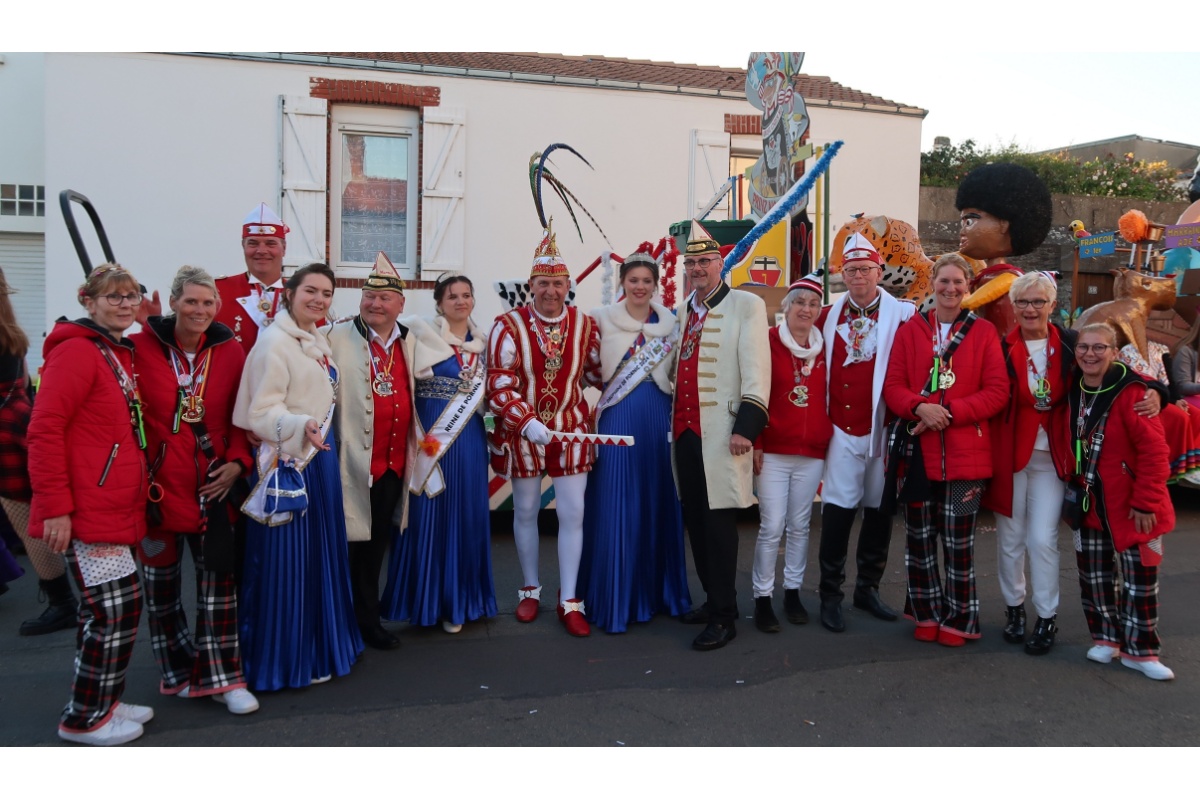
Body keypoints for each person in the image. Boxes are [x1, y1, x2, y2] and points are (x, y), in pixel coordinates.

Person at [29, 264, 153, 745]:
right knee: (114, 611)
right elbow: (43, 431)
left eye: (131, 296)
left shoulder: (111, 350)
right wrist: (56, 506)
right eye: (113, 297)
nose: (124, 304)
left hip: (110, 505)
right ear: (88, 300)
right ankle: (84, 718)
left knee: (107, 612)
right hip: (87, 511)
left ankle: (104, 700)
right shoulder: (77, 354)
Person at [129, 266, 259, 714]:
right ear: (173, 303)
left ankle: (224, 678)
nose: (199, 310)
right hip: (157, 493)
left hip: (213, 488)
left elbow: (243, 417)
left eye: (207, 303)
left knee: (218, 588)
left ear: (217, 307)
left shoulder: (231, 350)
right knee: (160, 591)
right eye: (191, 302)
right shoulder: (139, 347)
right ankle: (176, 671)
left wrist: (239, 463)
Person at [233, 262, 363, 690]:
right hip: (290, 463)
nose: (319, 299)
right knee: (289, 563)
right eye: (311, 290)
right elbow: (259, 412)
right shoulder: (274, 343)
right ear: (289, 292)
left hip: (316, 459)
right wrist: (298, 424)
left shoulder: (315, 341)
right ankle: (289, 658)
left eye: (326, 293)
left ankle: (321, 645)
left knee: (318, 558)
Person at [883, 253, 1008, 646]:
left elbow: (997, 393)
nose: (950, 288)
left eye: (958, 282)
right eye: (944, 281)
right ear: (932, 284)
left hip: (965, 458)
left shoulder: (984, 333)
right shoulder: (911, 330)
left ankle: (960, 617)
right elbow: (893, 387)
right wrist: (920, 407)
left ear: (968, 286)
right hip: (917, 456)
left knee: (958, 545)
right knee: (919, 542)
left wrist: (948, 413)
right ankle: (926, 612)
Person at [486, 223, 602, 637]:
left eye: (557, 283)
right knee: (526, 511)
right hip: (525, 435)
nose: (550, 290)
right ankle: (530, 589)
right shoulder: (508, 325)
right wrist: (526, 421)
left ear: (568, 285)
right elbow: (498, 386)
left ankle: (569, 599)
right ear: (530, 285)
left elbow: (597, 373)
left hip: (571, 431)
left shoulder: (586, 325)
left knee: (573, 513)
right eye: (542, 283)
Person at [580, 245, 691, 633]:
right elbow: (585, 370)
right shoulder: (598, 321)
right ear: (622, 284)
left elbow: (680, 374)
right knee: (617, 503)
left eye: (647, 281)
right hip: (618, 417)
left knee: (658, 501)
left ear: (657, 285)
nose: (640, 287)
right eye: (633, 280)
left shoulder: (672, 325)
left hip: (657, 416)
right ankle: (616, 598)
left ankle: (662, 593)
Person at [672, 220, 770, 651]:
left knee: (718, 527)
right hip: (685, 435)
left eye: (705, 261)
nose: (697, 268)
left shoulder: (746, 305)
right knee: (696, 522)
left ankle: (724, 617)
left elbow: (757, 372)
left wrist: (745, 430)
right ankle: (713, 600)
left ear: (720, 264)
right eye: (691, 262)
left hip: (723, 435)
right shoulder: (684, 310)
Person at [383, 272, 498, 634]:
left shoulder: (485, 343)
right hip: (431, 439)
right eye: (452, 296)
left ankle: (458, 602)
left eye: (466, 295)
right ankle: (424, 601)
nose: (460, 302)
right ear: (439, 302)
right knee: (426, 516)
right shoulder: (419, 334)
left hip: (470, 443)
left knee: (466, 517)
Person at [816, 232, 916, 633]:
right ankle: (830, 594)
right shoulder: (826, 315)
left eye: (865, 269)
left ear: (880, 272)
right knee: (838, 512)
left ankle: (868, 588)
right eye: (851, 269)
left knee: (879, 510)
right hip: (840, 428)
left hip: (884, 428)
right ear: (842, 273)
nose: (858, 276)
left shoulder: (905, 315)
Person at [1066, 322, 1175, 680]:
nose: (1090, 354)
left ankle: (1142, 651)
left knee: (1140, 581)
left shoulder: (1134, 393)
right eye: (1083, 347)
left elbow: (1155, 451)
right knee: (1095, 577)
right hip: (1090, 501)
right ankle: (1106, 638)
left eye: (1099, 348)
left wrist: (1146, 502)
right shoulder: (1074, 388)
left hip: (1133, 506)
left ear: (1115, 353)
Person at [327, 253, 417, 650]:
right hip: (351, 463)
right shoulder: (335, 337)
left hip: (392, 465)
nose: (375, 304)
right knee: (346, 546)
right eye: (369, 297)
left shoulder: (410, 340)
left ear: (401, 304)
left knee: (375, 546)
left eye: (385, 299)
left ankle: (367, 620)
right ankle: (342, 622)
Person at [982, 271, 1074, 655]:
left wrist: (1153, 390)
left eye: (1039, 302)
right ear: (1012, 306)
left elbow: (1112, 368)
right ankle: (1015, 609)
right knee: (1010, 540)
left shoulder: (1070, 344)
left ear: (1053, 306)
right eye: (1023, 302)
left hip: (1051, 456)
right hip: (1010, 456)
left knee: (1042, 539)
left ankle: (1047, 616)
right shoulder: (1001, 347)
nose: (1031, 309)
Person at [750, 271, 831, 632]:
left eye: (813, 303)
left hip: (812, 452)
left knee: (800, 526)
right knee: (771, 526)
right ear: (787, 306)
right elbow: (754, 392)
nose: (806, 309)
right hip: (774, 452)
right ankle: (762, 596)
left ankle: (793, 591)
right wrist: (756, 442)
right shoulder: (767, 341)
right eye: (799, 301)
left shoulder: (826, 346)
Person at [0, 266, 79, 636]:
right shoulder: (9, 328)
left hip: (6, 430)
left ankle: (64, 602)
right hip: (15, 423)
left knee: (30, 519)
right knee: (36, 518)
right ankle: (67, 599)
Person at [956, 163, 1053, 338]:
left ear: (1003, 225)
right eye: (962, 223)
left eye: (969, 222)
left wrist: (965, 302)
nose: (962, 231)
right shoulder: (988, 275)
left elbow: (1007, 332)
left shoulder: (1011, 281)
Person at [217, 203, 290, 353]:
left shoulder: (303, 294)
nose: (262, 250)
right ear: (243, 246)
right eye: (253, 243)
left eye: (270, 243)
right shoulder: (217, 291)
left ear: (284, 249)